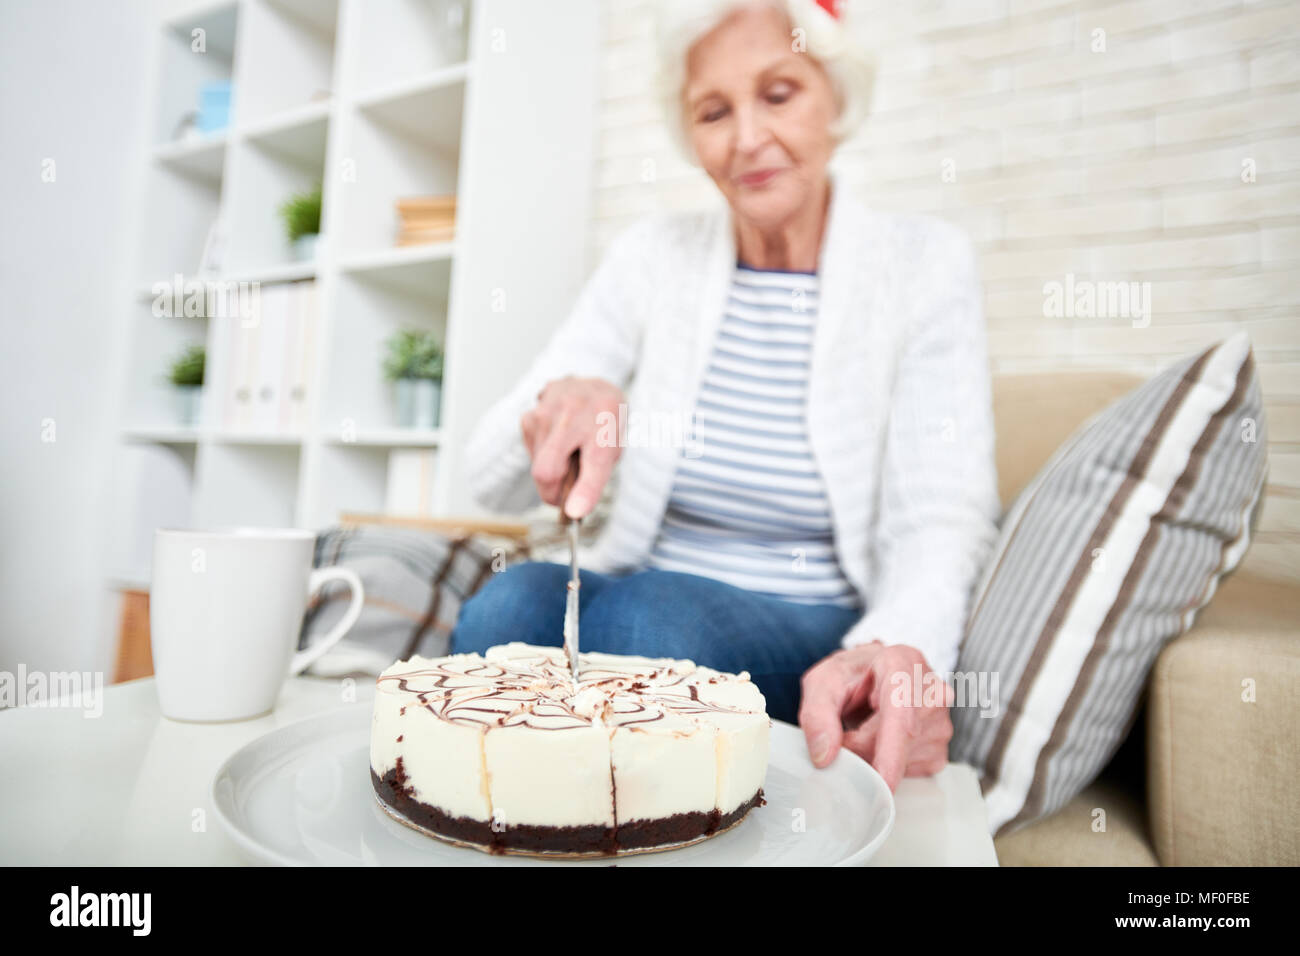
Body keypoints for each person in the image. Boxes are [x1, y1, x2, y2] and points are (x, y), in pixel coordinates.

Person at [451, 0, 1000, 792]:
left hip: (803, 615)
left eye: (779, 94)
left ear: (835, 99)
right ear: (690, 134)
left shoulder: (923, 266)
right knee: (509, 604)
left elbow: (939, 518)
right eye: (714, 111)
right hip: (637, 583)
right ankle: (501, 817)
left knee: (655, 622)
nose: (746, 139)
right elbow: (488, 475)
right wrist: (557, 404)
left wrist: (895, 646)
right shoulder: (652, 256)